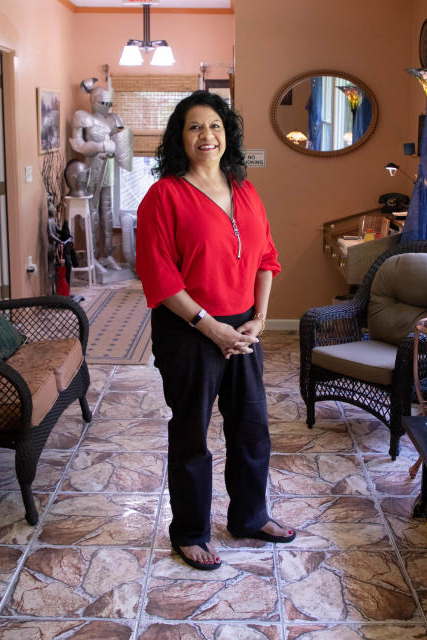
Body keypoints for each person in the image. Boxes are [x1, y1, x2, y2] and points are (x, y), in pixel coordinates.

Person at [135, 90, 295, 571]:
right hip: (188, 332)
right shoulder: (164, 196)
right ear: (179, 138)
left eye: (215, 127)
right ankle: (189, 531)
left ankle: (249, 516)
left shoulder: (245, 190)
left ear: (228, 136)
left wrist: (259, 320)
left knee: (251, 428)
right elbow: (160, 280)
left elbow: (266, 258)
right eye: (195, 127)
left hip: (244, 329)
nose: (206, 136)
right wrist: (214, 330)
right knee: (191, 434)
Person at [68, 81, 132, 274]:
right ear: (94, 101)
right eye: (102, 102)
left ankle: (108, 254)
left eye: (108, 103)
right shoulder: (82, 117)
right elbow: (77, 144)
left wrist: (116, 147)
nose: (106, 107)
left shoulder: (113, 119)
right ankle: (91, 256)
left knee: (108, 210)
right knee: (92, 210)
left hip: (109, 167)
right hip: (91, 168)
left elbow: (122, 144)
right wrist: (99, 146)